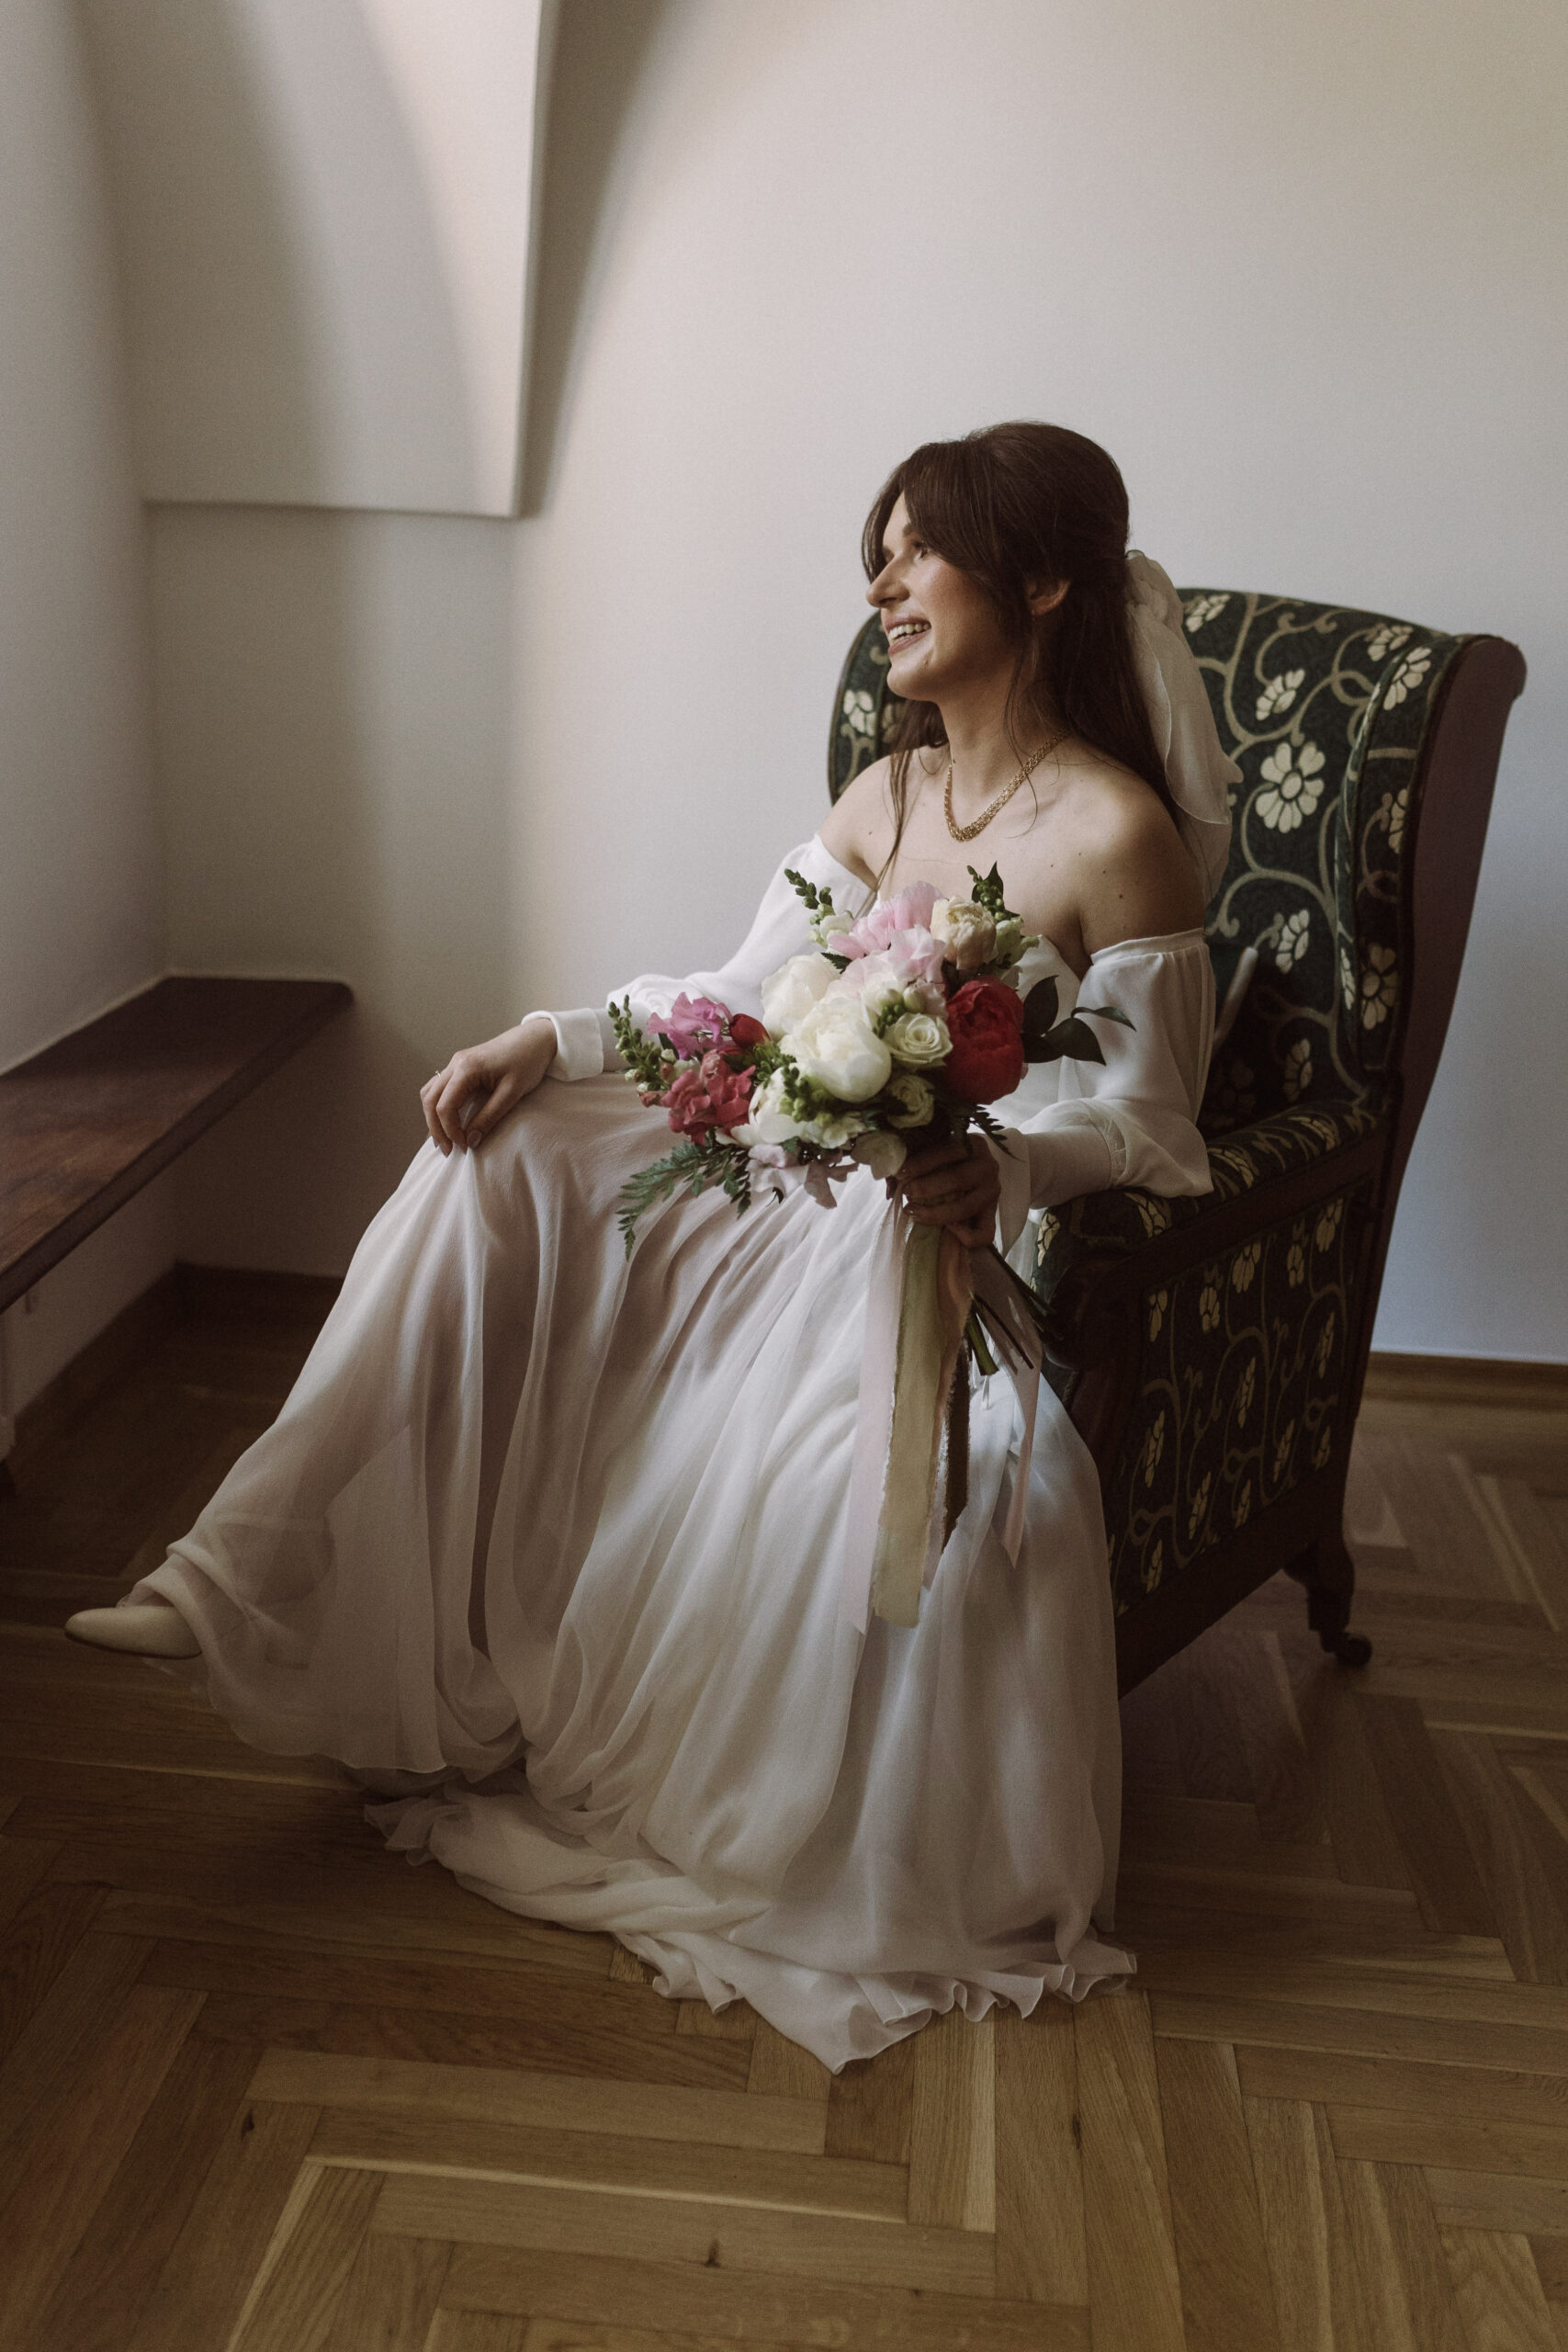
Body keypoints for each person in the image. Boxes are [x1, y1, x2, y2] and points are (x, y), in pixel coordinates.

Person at [64, 422, 1235, 2070]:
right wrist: (544, 1039)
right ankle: (237, 1567)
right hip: (783, 1188)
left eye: (921, 550)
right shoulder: (887, 791)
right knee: (504, 1147)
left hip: (928, 1233)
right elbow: (740, 1000)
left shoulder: (1117, 835)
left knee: (990, 1503)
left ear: (1041, 581)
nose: (883, 585)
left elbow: (1155, 1119)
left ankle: (816, 1828)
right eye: (881, 551)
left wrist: (1008, 1164)